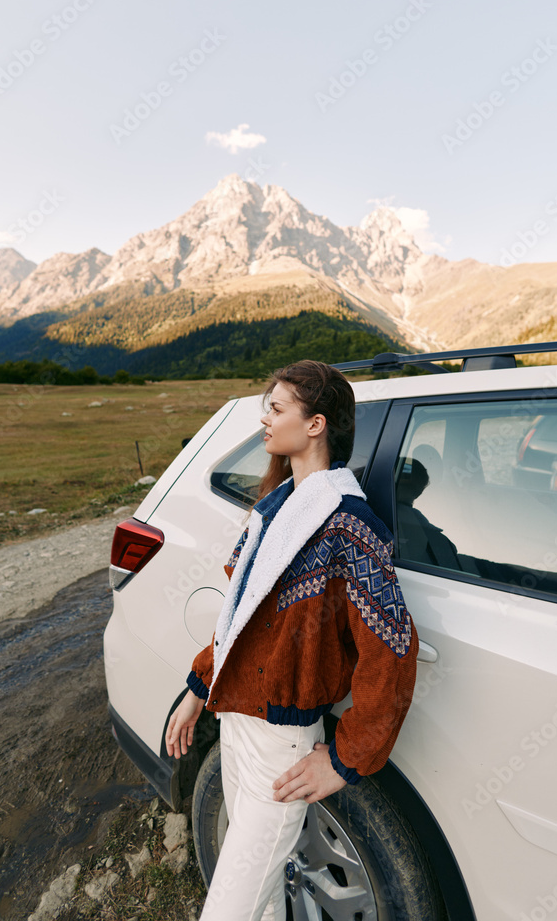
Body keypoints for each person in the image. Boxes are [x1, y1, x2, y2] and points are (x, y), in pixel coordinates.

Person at [165, 360, 419, 921]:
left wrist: (349, 759)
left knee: (229, 908)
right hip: (235, 727)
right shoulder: (273, 508)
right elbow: (236, 619)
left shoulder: (350, 528)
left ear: (315, 425)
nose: (264, 418)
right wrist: (196, 688)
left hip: (281, 749)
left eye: (276, 409)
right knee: (259, 905)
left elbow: (393, 650)